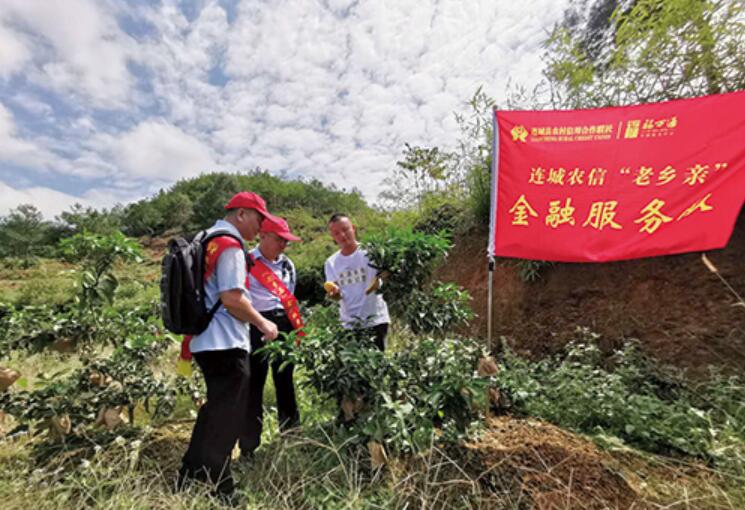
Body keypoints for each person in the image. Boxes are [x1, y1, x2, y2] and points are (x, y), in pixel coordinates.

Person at [177, 191, 280, 500]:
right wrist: (263, 323)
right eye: (259, 219)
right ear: (242, 214)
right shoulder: (231, 246)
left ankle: (189, 473)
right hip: (225, 342)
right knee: (227, 417)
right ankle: (221, 489)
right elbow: (232, 298)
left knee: (214, 411)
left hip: (205, 342)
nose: (260, 228)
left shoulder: (206, 238)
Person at [239, 217, 303, 461]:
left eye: (286, 241)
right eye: (279, 239)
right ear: (263, 236)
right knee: (254, 384)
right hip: (257, 325)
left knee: (285, 380)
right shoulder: (246, 262)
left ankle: (292, 435)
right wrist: (259, 322)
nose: (283, 245)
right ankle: (248, 446)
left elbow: (290, 297)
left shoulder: (288, 265)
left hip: (283, 325)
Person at [324, 213, 389, 350]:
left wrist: (382, 279)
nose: (342, 235)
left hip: (375, 320)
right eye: (336, 233)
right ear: (332, 236)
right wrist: (334, 293)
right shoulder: (331, 263)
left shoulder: (371, 252)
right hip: (349, 324)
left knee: (377, 366)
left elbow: (387, 274)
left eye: (345, 229)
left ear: (353, 228)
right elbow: (335, 294)